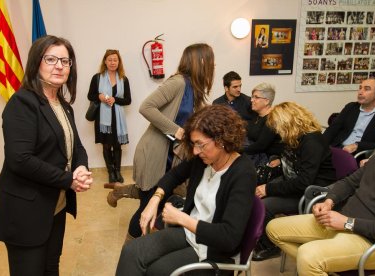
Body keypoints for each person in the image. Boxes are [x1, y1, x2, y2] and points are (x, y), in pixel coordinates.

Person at [0, 35, 93, 276]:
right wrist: (69, 180)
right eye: (51, 59)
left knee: (50, 266)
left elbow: (76, 146)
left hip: (53, 205)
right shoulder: (22, 103)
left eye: (65, 61)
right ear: (36, 63)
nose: (59, 65)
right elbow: (20, 160)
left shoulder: (62, 104)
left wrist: (80, 167)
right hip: (25, 209)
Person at [116, 105, 256, 276]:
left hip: (214, 250)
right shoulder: (204, 159)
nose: (196, 151)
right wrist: (155, 200)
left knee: (156, 271)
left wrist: (181, 218)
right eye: (193, 144)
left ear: (222, 140)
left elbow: (229, 238)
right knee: (131, 251)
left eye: (200, 144)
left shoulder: (243, 173)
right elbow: (174, 176)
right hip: (190, 233)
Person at [107, 43, 216, 242]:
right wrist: (178, 131)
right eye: (210, 60)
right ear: (200, 61)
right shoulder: (179, 83)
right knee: (148, 206)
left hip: (170, 157)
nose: (213, 65)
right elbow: (146, 107)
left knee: (156, 197)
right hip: (155, 154)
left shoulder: (194, 88)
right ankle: (129, 251)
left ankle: (119, 192)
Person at [266, 149, 375, 275]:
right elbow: (349, 183)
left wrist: (348, 223)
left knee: (308, 256)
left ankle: (314, 265)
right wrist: (328, 201)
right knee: (273, 229)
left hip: (372, 242)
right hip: (339, 221)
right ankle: (316, 267)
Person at [252, 102, 336, 261]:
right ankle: (260, 237)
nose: (276, 130)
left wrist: (268, 189)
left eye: (277, 126)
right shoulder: (294, 138)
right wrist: (276, 160)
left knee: (265, 204)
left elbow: (304, 182)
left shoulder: (312, 142)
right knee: (255, 192)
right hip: (295, 182)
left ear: (287, 123)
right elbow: (290, 164)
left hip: (312, 192)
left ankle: (271, 246)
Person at [87, 49, 131, 183]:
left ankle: (118, 171)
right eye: (110, 60)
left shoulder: (124, 79)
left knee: (117, 146)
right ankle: (110, 172)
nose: (112, 62)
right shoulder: (97, 77)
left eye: (115, 60)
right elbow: (90, 95)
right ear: (105, 62)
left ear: (119, 62)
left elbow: (128, 100)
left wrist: (115, 99)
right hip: (102, 119)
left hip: (117, 119)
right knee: (106, 145)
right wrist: (99, 96)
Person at [323, 78, 375, 154]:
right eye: (360, 88)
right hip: (337, 148)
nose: (360, 92)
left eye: (366, 89)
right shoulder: (351, 107)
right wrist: (320, 145)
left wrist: (358, 145)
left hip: (360, 154)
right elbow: (332, 129)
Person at [243, 83, 283, 167]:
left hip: (269, 160)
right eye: (252, 96)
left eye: (256, 97)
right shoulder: (256, 116)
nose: (251, 100)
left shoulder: (272, 119)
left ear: (267, 101)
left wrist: (237, 151)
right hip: (256, 156)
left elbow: (260, 146)